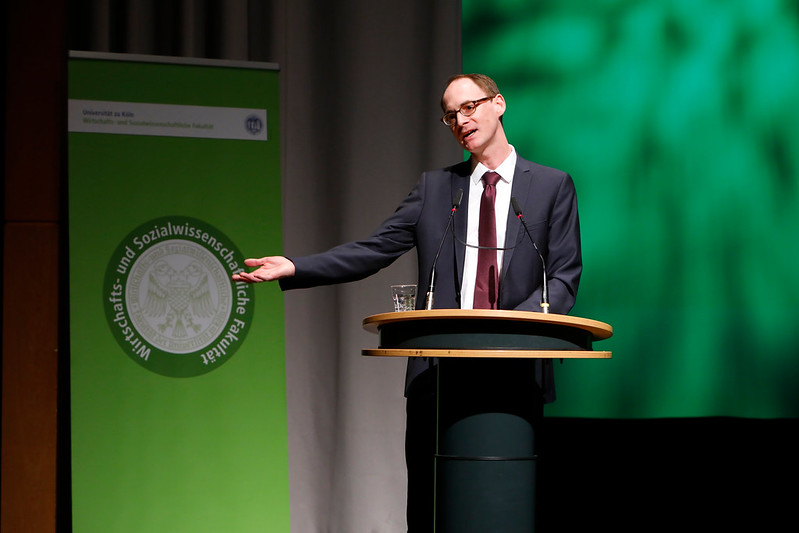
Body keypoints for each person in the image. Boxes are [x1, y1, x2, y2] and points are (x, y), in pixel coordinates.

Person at [233, 73, 582, 531]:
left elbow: (563, 278)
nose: (461, 120)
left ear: (498, 104)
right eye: (451, 115)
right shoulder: (437, 190)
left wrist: (507, 330)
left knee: (508, 505)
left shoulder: (551, 186)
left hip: (514, 373)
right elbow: (373, 250)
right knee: (430, 507)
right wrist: (297, 266)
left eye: (470, 107)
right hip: (437, 377)